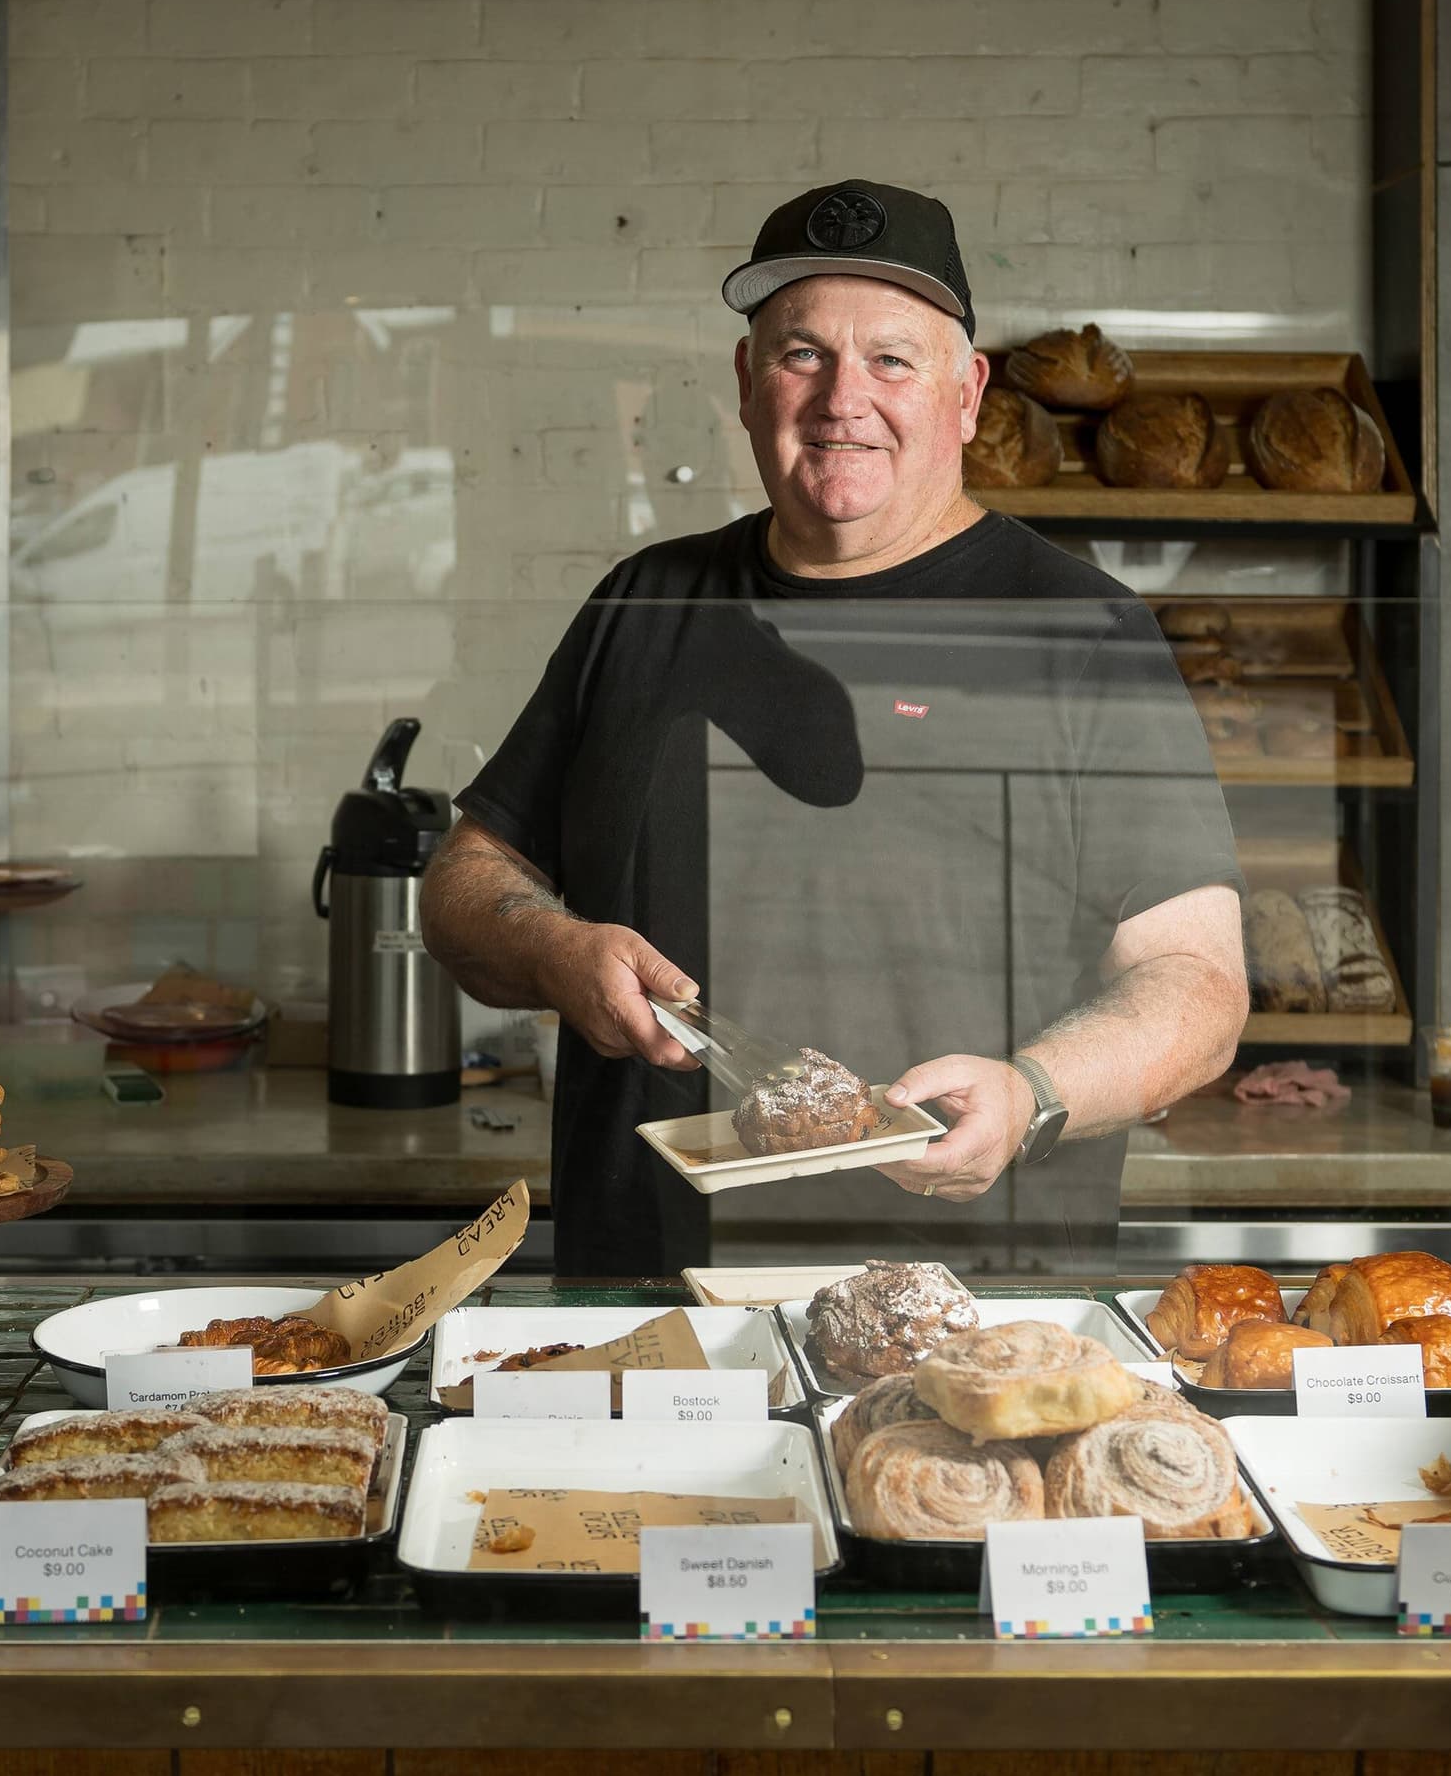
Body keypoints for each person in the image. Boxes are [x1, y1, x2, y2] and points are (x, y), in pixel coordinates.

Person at [422, 180, 1249, 1276]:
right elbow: (465, 884)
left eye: (892, 360)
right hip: (657, 1300)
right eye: (801, 354)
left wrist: (1033, 1093)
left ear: (967, 393)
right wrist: (555, 948)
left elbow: (1198, 984)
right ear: (747, 382)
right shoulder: (646, 605)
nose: (841, 399)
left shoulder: (1079, 629)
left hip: (969, 1310)